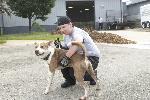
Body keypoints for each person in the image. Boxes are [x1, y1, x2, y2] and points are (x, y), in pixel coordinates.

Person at [55, 16, 100, 88]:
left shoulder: (77, 33)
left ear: (70, 24)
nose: (62, 30)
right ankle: (70, 81)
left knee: (76, 73)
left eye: (63, 27)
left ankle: (92, 75)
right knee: (62, 60)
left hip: (91, 57)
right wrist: (60, 46)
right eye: (60, 28)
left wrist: (66, 58)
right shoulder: (66, 35)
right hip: (78, 56)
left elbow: (77, 43)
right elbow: (67, 47)